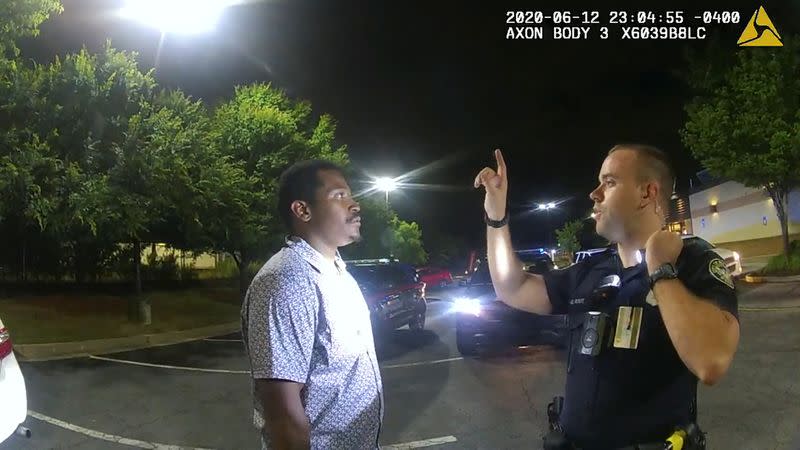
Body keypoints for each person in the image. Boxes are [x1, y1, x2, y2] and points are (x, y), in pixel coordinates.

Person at [474, 145, 740, 449]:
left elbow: (711, 362)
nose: (594, 193)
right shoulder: (589, 271)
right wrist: (496, 216)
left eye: (609, 182)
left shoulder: (692, 261)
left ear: (647, 193)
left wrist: (661, 269)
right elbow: (512, 288)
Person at [241, 160, 383, 450]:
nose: (355, 205)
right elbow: (282, 414)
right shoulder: (285, 281)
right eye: (339, 196)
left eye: (351, 195)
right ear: (302, 210)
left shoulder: (337, 272)